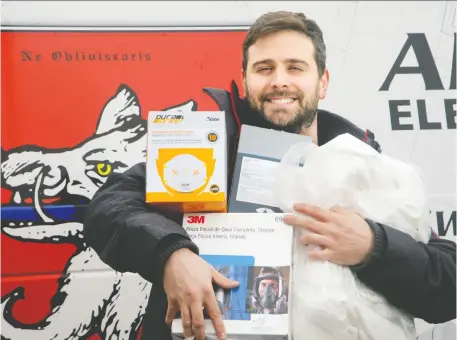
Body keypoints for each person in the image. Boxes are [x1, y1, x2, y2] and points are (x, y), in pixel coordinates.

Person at [83, 11, 456, 340]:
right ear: (244, 82)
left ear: (322, 82)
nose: (279, 80)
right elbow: (109, 207)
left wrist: (374, 246)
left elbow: (447, 283)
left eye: (295, 67)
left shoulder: (366, 167)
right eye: (264, 68)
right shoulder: (203, 156)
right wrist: (170, 254)